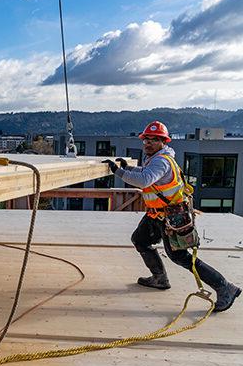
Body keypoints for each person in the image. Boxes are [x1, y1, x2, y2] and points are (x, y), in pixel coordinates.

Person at [103, 120, 241, 312]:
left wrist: (119, 172)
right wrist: (129, 168)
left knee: (180, 257)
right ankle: (159, 278)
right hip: (157, 215)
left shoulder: (161, 160)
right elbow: (145, 173)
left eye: (154, 140)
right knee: (140, 240)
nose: (148, 143)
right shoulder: (157, 158)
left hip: (172, 217)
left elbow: (144, 180)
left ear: (163, 142)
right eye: (146, 140)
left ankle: (225, 287)